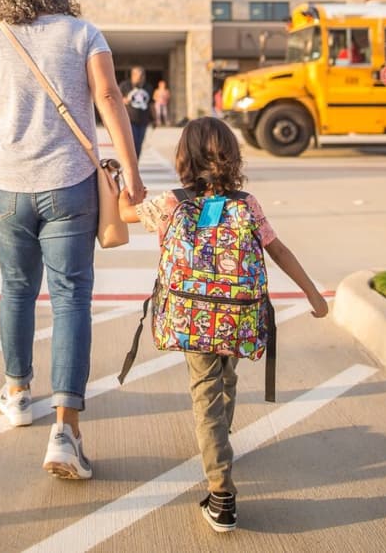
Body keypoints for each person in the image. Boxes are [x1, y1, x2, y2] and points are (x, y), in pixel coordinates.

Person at [0, 0, 145, 480]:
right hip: (71, 184)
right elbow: (109, 96)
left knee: (16, 289)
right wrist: (129, 171)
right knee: (71, 300)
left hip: (6, 185)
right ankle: (65, 431)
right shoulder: (84, 33)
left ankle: (17, 392)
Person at [118, 116, 328, 531]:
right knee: (225, 377)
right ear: (232, 157)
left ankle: (221, 491)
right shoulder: (246, 203)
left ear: (184, 158)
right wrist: (313, 293)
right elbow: (278, 250)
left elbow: (125, 213)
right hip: (237, 316)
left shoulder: (172, 203)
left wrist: (118, 187)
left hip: (192, 317)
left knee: (205, 396)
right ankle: (222, 441)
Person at [119, 66, 153, 158]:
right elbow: (115, 99)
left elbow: (151, 104)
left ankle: (135, 163)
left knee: (139, 144)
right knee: (132, 143)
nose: (141, 77)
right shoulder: (125, 85)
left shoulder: (148, 87)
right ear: (133, 75)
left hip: (143, 120)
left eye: (143, 75)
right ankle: (130, 163)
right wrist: (124, 100)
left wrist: (155, 118)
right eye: (139, 75)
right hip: (129, 120)